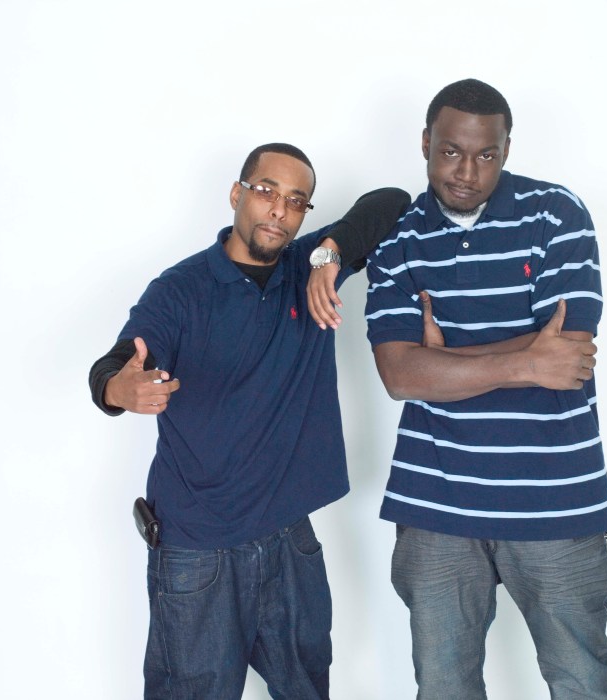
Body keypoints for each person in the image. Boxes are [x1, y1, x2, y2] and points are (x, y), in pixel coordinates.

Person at [88, 142, 410, 699]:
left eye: (297, 200)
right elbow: (116, 364)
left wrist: (330, 254)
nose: (279, 210)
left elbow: (393, 201)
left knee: (308, 688)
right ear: (237, 194)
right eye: (266, 191)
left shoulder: (309, 270)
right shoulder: (181, 290)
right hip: (199, 550)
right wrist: (120, 389)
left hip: (288, 539)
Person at [365, 80, 607, 699]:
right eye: (451, 151)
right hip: (435, 504)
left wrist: (442, 360)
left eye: (486, 154)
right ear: (425, 143)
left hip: (555, 500)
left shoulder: (555, 214)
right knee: (443, 687)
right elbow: (399, 376)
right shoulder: (398, 237)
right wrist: (524, 360)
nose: (467, 172)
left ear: (506, 150)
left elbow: (568, 355)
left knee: (585, 681)